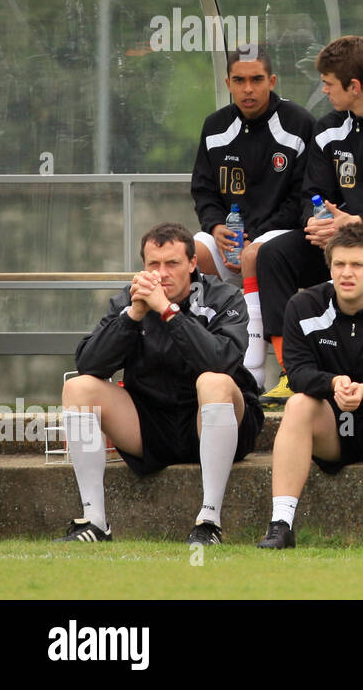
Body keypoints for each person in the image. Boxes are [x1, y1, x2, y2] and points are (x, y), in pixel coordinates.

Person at [58, 223, 264, 544]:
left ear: (193, 264)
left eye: (173, 263)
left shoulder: (225, 297)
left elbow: (221, 361)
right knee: (78, 388)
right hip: (150, 422)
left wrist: (168, 311)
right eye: (154, 264)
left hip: (215, 418)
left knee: (213, 382)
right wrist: (133, 315)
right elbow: (89, 363)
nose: (162, 272)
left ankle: (209, 522)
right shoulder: (129, 300)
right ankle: (95, 523)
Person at [253, 36, 363, 399]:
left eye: (329, 83)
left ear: (355, 86)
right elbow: (310, 193)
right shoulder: (329, 126)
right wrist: (314, 222)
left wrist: (359, 222)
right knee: (274, 255)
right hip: (337, 237)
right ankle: (292, 372)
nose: (324, 89)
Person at [256, 224, 363, 550]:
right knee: (297, 404)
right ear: (329, 266)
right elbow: (296, 373)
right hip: (330, 429)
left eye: (357, 265)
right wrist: (332, 383)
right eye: (339, 264)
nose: (346, 273)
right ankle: (281, 525)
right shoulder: (303, 305)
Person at [191, 43, 314, 388]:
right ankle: (202, 363)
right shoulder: (215, 127)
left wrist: (252, 236)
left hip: (280, 233)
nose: (248, 89)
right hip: (229, 234)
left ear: (272, 80)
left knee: (255, 255)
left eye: (257, 79)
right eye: (240, 80)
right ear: (228, 82)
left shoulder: (299, 123)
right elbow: (203, 190)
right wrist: (215, 227)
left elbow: (303, 196)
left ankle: (254, 377)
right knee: (190, 254)